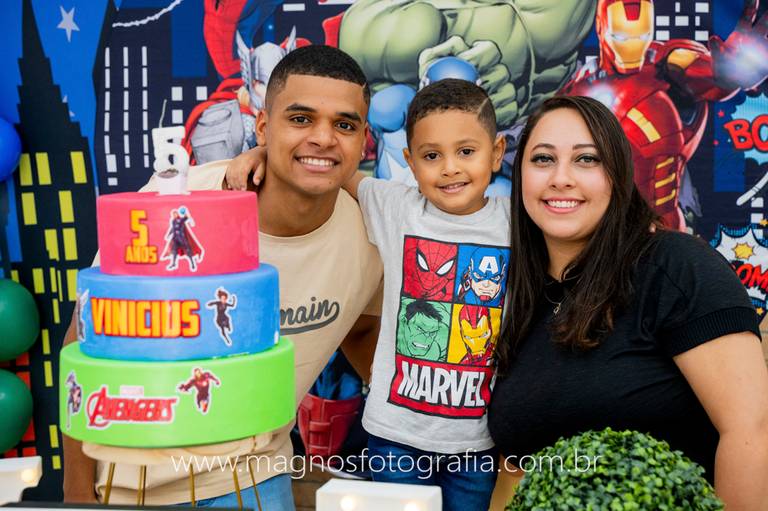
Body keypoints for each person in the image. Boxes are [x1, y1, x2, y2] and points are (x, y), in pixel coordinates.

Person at [62, 45, 383, 510]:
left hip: (256, 477)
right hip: (130, 485)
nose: (323, 138)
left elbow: (362, 326)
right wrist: (76, 493)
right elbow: (84, 340)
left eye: (345, 125)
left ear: (364, 138)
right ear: (263, 127)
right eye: (300, 119)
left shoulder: (372, 235)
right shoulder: (178, 202)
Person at [231, 78, 509, 511]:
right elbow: (331, 169)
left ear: (496, 152)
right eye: (432, 156)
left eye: (466, 152)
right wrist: (262, 152)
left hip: (476, 442)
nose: (450, 168)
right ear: (409, 162)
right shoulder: (395, 206)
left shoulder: (517, 221)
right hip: (395, 438)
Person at [487, 95, 768, 509]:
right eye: (543, 159)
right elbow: (515, 471)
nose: (561, 178)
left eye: (587, 159)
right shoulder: (515, 294)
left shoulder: (675, 266)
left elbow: (752, 431)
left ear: (617, 174)